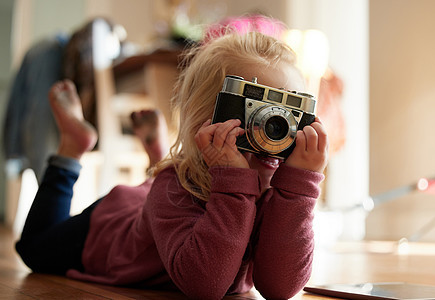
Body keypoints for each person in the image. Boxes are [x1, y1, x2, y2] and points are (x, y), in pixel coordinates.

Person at [15, 31, 328, 299]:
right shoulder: (173, 185)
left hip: (159, 201)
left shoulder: (280, 190)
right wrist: (233, 179)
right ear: (203, 123)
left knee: (169, 180)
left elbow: (280, 288)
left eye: (287, 112)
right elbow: (205, 284)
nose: (275, 128)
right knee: (35, 249)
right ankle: (73, 146)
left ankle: (157, 154)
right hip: (109, 229)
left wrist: (299, 190)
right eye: (258, 112)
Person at [3, 17, 125, 182]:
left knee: (44, 147)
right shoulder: (48, 54)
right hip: (53, 58)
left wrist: (13, 152)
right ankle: (50, 184)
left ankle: (50, 187)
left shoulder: (48, 51)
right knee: (44, 135)